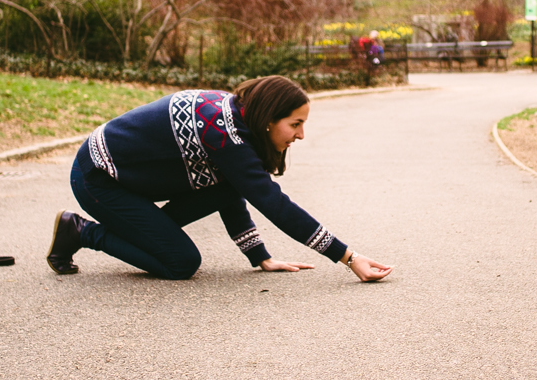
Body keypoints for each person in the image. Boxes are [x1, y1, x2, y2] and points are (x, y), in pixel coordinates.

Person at [48, 75, 391, 282]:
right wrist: (347, 256)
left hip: (130, 182)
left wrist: (258, 256)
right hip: (98, 178)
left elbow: (231, 189)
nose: (300, 136)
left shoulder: (237, 120)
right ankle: (81, 231)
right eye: (296, 124)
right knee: (181, 262)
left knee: (163, 240)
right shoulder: (224, 131)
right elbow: (272, 203)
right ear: (270, 119)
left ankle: (136, 233)